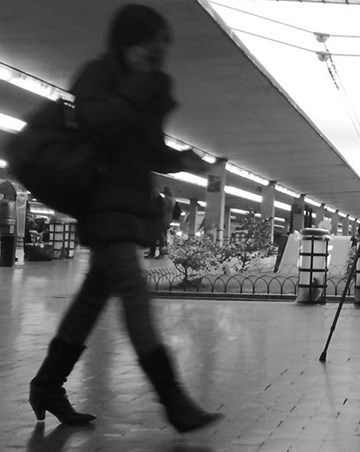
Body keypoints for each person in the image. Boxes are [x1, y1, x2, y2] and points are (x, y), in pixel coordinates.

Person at [29, 4, 222, 433]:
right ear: (129, 40)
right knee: (134, 293)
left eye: (162, 47)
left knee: (91, 301)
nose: (158, 52)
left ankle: (47, 385)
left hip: (129, 205)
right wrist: (138, 82)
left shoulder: (148, 83)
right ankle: (173, 401)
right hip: (100, 201)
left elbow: (146, 149)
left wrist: (180, 159)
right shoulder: (99, 74)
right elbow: (97, 124)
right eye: (151, 44)